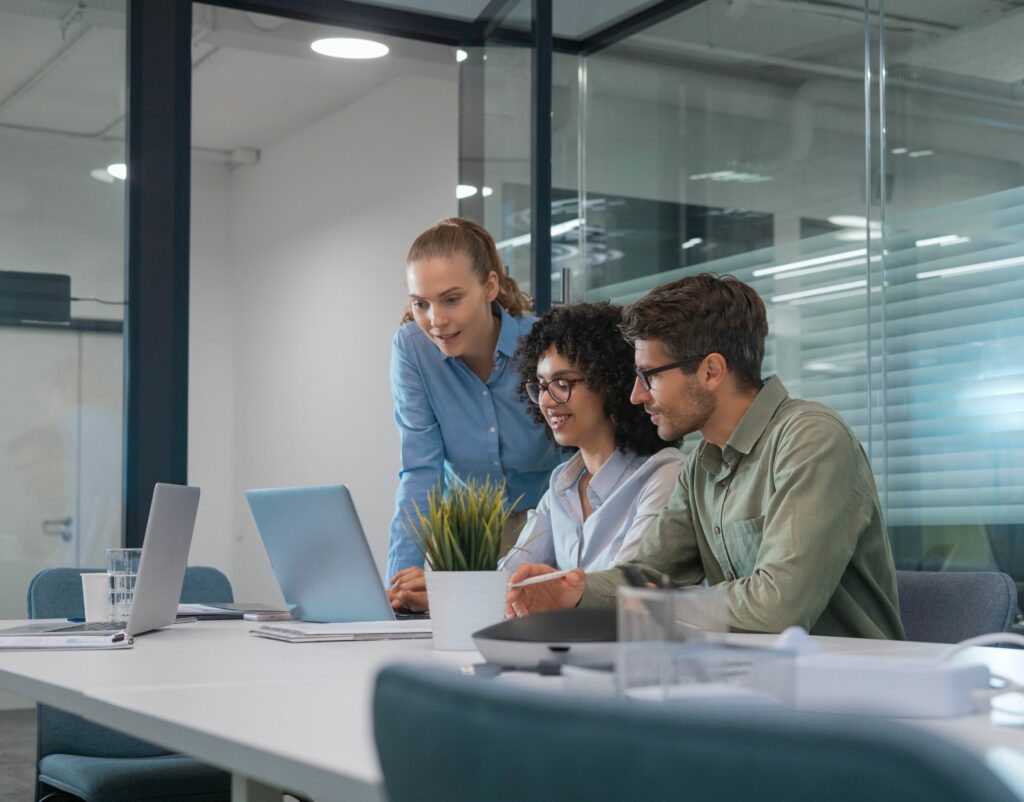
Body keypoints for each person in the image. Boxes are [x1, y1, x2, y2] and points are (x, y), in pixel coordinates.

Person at [506, 273, 905, 639]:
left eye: (651, 376)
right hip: (759, 683)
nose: (636, 395)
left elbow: (779, 605)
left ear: (712, 371)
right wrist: (576, 590)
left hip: (851, 692)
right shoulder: (702, 464)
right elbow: (648, 573)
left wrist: (660, 605)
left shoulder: (811, 439)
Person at [388, 303, 685, 611]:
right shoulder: (562, 484)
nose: (546, 401)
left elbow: (626, 586)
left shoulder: (663, 474)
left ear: (609, 383)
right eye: (541, 386)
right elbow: (510, 575)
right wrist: (442, 590)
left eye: (562, 384)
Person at [385, 218, 562, 588]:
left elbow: (577, 460)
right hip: (463, 538)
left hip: (549, 527)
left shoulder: (543, 344)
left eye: (452, 299)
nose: (436, 321)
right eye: (421, 304)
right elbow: (420, 471)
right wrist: (398, 584)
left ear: (490, 286)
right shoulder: (413, 350)